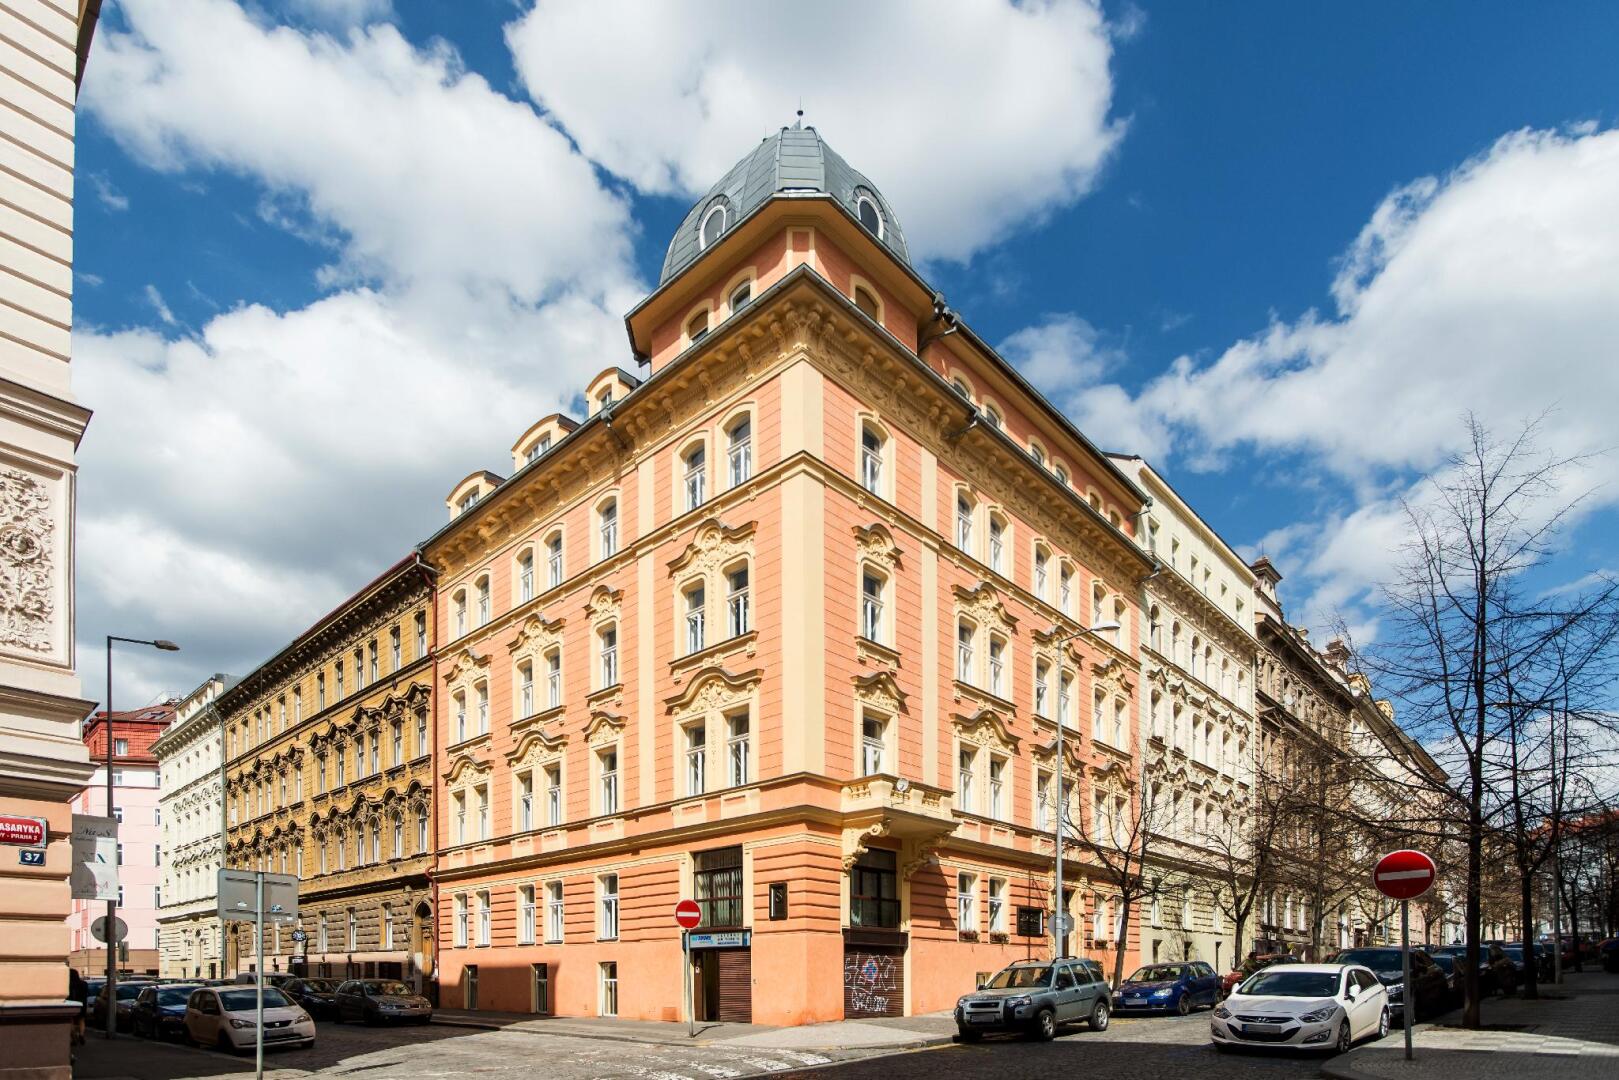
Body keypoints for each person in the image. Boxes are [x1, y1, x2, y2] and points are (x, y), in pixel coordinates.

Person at [67, 965, 88, 1046]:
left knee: (71, 1020)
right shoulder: (84, 984)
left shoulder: (68, 985)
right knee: (81, 1020)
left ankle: (74, 1037)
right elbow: (86, 993)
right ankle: (81, 1035)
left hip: (71, 1004)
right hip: (82, 1004)